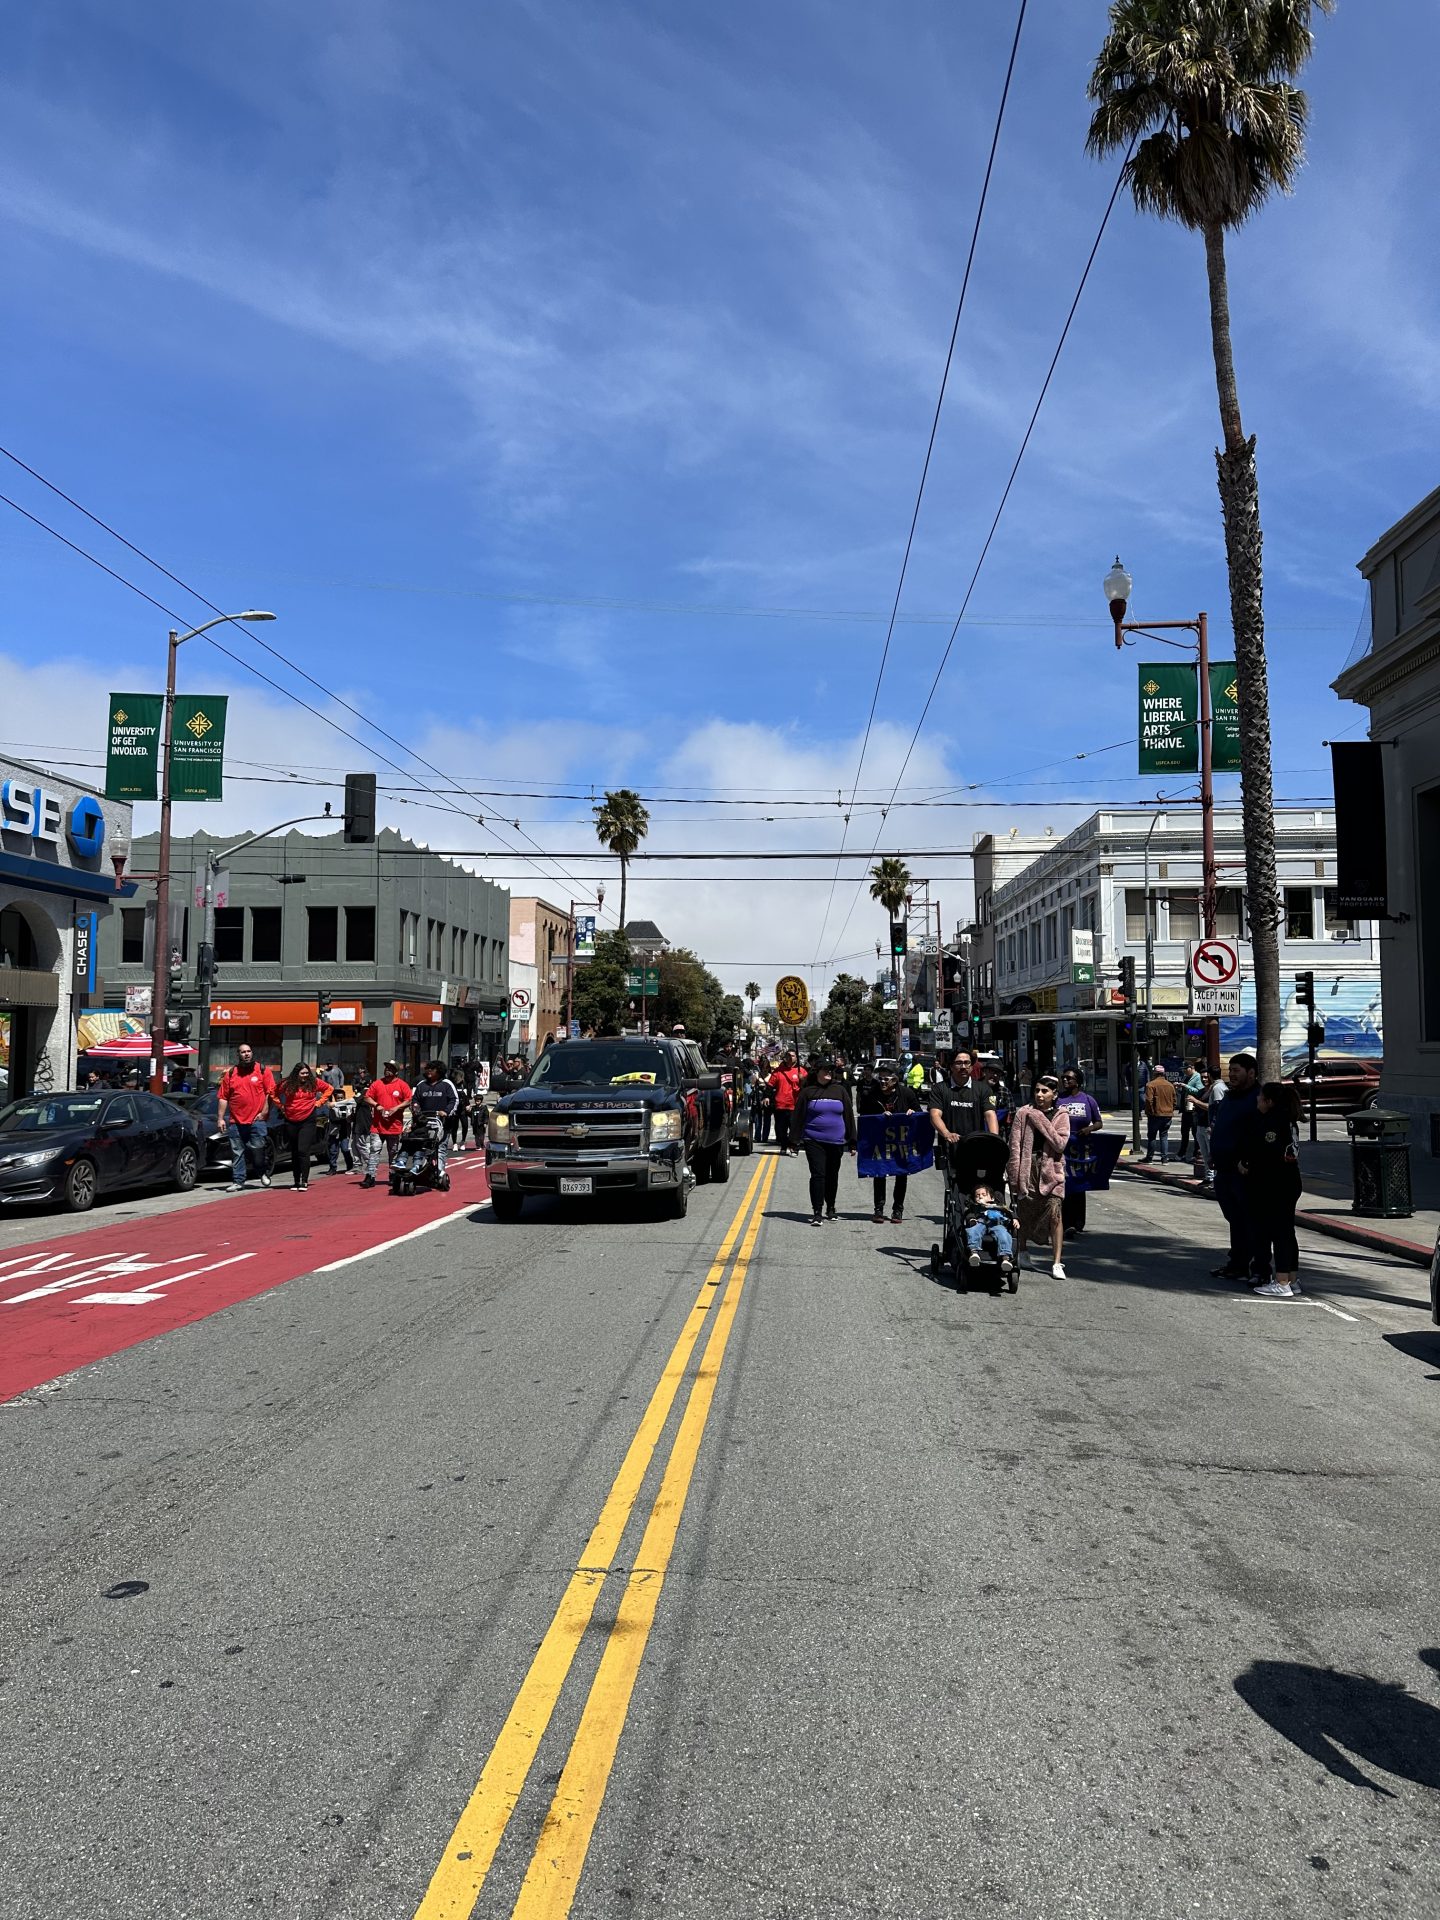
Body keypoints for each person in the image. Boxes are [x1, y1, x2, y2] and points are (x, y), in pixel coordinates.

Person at [1240, 1082, 1304, 1300]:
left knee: (1280, 1233)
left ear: (1269, 1101)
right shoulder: (1286, 1119)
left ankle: (1282, 1281)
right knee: (1287, 1231)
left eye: (1260, 1097)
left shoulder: (1275, 1122)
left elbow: (1266, 1154)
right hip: (1287, 1181)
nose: (1257, 1101)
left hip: (1277, 1183)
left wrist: (1246, 1165)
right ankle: (1292, 1279)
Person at [1007, 1073, 1072, 1279]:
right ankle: (1023, 1251)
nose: (1040, 1095)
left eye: (1045, 1091)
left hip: (1052, 1171)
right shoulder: (1023, 1113)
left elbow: (1060, 1144)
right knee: (1023, 1212)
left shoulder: (1061, 1115)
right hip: (1028, 1168)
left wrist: (1040, 1119)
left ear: (1054, 1094)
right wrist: (1014, 1175)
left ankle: (1056, 1262)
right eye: (1037, 1090)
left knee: (1055, 1212)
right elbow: (1015, 1146)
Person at [1208, 1052, 1261, 1280]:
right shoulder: (1230, 1097)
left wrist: (1246, 1160)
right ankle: (1237, 1262)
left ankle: (1255, 1265)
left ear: (1251, 1072)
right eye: (1230, 1070)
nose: (1232, 1075)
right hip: (1223, 1169)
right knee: (1234, 1219)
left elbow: (1258, 1135)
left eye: (1237, 1070)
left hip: (1243, 1172)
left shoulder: (1258, 1098)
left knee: (1247, 1219)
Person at [858, 1064, 923, 1226]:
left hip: (901, 1141)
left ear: (895, 1080)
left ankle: (897, 1209)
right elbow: (863, 1115)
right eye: (879, 1079)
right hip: (880, 1141)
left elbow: (920, 1112)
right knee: (879, 1173)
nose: (882, 1082)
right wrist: (879, 1116)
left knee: (901, 1173)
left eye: (886, 1079)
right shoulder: (871, 1095)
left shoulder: (906, 1093)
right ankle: (878, 1209)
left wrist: (912, 1113)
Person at [794, 1059, 856, 1224]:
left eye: (831, 1070)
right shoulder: (808, 1092)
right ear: (817, 1072)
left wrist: (853, 1141)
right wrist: (793, 1140)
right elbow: (798, 1116)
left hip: (836, 1141)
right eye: (825, 1070)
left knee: (832, 1175)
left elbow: (848, 1116)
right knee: (818, 1174)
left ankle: (831, 1207)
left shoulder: (840, 1090)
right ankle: (817, 1211)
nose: (829, 1072)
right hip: (813, 1139)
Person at [217, 1043, 277, 1191]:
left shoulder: (263, 1071)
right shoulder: (231, 1073)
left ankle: (262, 1172)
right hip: (235, 1121)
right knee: (237, 1152)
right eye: (243, 1052)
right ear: (238, 1055)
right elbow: (223, 1097)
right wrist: (220, 1118)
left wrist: (264, 1112)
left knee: (258, 1151)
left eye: (249, 1051)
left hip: (257, 1121)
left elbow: (271, 1093)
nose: (246, 1054)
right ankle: (238, 1181)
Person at [1057, 1067, 1104, 1238]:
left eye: (1069, 1078)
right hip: (1061, 1149)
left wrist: (1089, 1129)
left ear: (1078, 1081)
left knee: (1078, 1185)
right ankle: (1064, 1221)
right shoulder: (1058, 1099)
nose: (1065, 1081)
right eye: (1063, 1078)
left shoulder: (1088, 1100)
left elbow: (1099, 1122)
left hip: (1080, 1151)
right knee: (1062, 1184)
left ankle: (1077, 1223)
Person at [928, 1048, 1000, 1156]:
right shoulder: (939, 1088)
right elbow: (935, 1115)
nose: (963, 1067)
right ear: (951, 1066)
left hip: (976, 1149)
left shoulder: (984, 1089)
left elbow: (990, 1115)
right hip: (950, 1149)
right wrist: (946, 1133)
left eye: (967, 1063)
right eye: (959, 1063)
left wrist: (994, 1140)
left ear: (971, 1066)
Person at [361, 1060, 413, 1188]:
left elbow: (408, 1100)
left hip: (394, 1125)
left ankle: (393, 1175)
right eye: (386, 1068)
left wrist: (397, 1108)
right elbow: (367, 1097)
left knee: (393, 1152)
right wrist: (376, 1105)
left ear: (396, 1071)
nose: (387, 1070)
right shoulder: (377, 1083)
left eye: (390, 1068)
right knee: (374, 1150)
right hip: (377, 1125)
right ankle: (370, 1176)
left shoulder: (402, 1085)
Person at [275, 1061, 321, 1191]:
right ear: (296, 1073)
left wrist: (319, 1102)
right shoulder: (287, 1084)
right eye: (302, 1073)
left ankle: (304, 1181)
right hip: (291, 1120)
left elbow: (329, 1089)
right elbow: (273, 1092)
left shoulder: (314, 1082)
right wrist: (281, 1106)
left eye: (307, 1073)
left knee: (303, 1150)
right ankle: (296, 1181)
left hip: (308, 1120)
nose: (305, 1075)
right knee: (294, 1151)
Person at [412, 1059, 461, 1174]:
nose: (429, 1071)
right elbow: (415, 1100)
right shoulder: (421, 1085)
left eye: (432, 1069)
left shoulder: (447, 1084)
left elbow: (454, 1100)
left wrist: (446, 1111)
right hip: (424, 1122)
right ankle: (417, 1168)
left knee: (441, 1148)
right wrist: (415, 1109)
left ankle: (439, 1172)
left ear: (439, 1071)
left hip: (442, 1123)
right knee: (421, 1146)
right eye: (428, 1069)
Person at [964, 1181, 1016, 1272]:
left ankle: (1005, 1257)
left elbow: (1010, 1212)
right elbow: (969, 1214)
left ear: (992, 1197)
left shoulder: (999, 1205)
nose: (980, 1196)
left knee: (1004, 1234)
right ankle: (974, 1252)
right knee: (973, 1230)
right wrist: (971, 1219)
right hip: (981, 1222)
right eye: (977, 1195)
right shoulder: (975, 1207)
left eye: (984, 1194)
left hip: (996, 1223)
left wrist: (1015, 1218)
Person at [316, 1071, 355, 1176]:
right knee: (333, 1150)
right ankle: (332, 1167)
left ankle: (350, 1166)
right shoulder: (331, 1107)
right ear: (335, 1099)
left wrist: (349, 1117)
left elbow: (349, 1117)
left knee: (345, 1149)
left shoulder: (348, 1106)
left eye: (342, 1098)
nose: (340, 1100)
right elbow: (329, 1116)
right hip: (334, 1132)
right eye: (338, 1099)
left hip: (344, 1132)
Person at [1190, 1065, 1221, 1188]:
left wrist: (1196, 1102)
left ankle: (1215, 1180)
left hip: (1210, 1127)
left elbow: (1214, 1107)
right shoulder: (1204, 1090)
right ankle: (1209, 1178)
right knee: (1205, 1154)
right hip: (1201, 1125)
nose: (1204, 1079)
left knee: (1212, 1154)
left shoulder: (1217, 1089)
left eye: (1206, 1077)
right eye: (1202, 1077)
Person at [769, 1052, 803, 1156]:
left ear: (796, 1058)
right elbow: (770, 1085)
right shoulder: (778, 1071)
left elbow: (808, 1086)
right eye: (788, 1055)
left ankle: (794, 1147)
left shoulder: (801, 1071)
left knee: (794, 1128)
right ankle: (784, 1146)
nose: (790, 1058)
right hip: (781, 1104)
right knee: (781, 1129)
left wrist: (803, 1080)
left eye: (792, 1056)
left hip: (795, 1105)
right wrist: (767, 1096)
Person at [1143, 1065, 1177, 1162]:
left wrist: (1150, 1112)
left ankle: (1149, 1158)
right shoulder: (1170, 1085)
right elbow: (1174, 1100)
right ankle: (1164, 1158)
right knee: (1164, 1135)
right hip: (1167, 1114)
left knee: (1152, 1136)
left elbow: (1149, 1100)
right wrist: (1171, 1110)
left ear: (1154, 1073)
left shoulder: (1151, 1085)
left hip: (1155, 1114)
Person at [1178, 1060, 1204, 1160]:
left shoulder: (1197, 1077)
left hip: (1193, 1108)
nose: (1184, 1071)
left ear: (1191, 1067)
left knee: (1195, 1132)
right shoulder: (1187, 1077)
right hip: (1186, 1108)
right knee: (1184, 1132)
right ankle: (1181, 1153)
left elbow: (1198, 1091)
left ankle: (1196, 1154)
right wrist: (1180, 1087)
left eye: (1185, 1069)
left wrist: (1185, 1086)